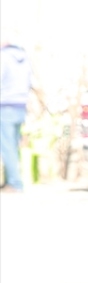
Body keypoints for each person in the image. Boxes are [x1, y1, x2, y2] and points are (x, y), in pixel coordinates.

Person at [0, 36, 32, 192]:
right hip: (20, 105)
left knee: (6, 147)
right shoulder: (23, 57)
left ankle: (14, 183)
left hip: (4, 105)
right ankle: (12, 181)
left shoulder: (3, 56)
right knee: (13, 146)